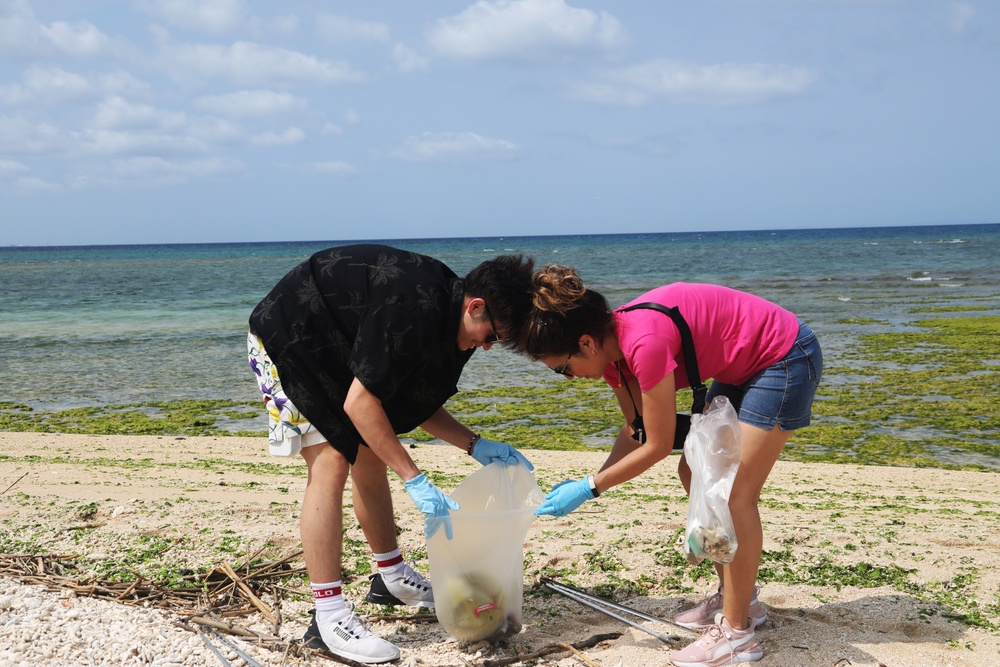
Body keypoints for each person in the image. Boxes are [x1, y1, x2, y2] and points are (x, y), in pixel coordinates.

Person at [515, 267, 822, 667]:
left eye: (563, 368)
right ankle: (738, 599)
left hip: (783, 356)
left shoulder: (643, 343)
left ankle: (737, 634)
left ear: (585, 343)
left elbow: (659, 446)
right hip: (743, 365)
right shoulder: (613, 359)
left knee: (733, 493)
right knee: (693, 472)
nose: (568, 378)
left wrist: (591, 486)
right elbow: (639, 431)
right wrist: (589, 478)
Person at [247, 244, 535, 664]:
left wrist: (476, 445)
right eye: (492, 336)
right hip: (289, 335)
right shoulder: (413, 310)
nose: (488, 347)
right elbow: (361, 404)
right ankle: (327, 619)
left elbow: (409, 400)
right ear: (475, 307)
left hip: (336, 340)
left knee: (369, 451)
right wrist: (415, 479)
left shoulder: (448, 316)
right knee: (331, 460)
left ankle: (392, 578)